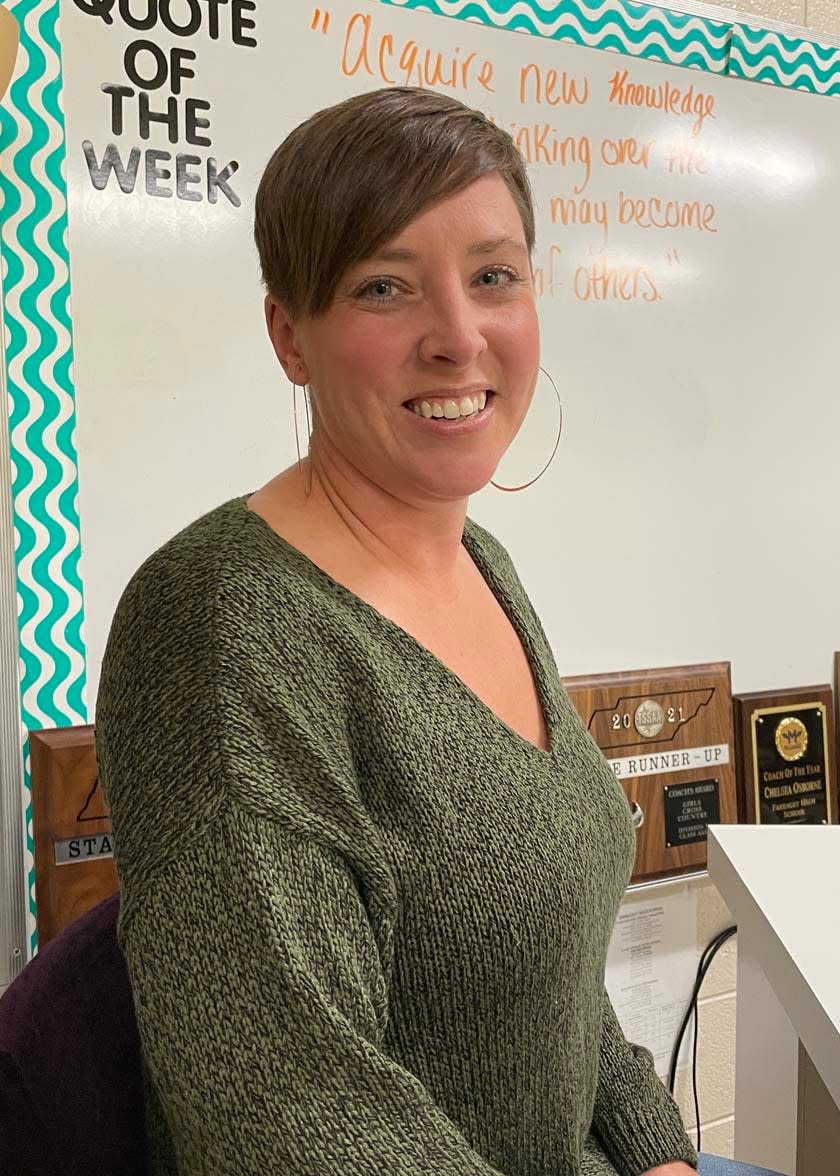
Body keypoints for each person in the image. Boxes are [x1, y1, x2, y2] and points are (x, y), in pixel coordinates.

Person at [96, 86, 699, 1175]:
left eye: (494, 277)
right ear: (291, 334)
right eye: (385, 286)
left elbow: (551, 970)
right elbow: (288, 1106)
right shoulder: (220, 626)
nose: (459, 337)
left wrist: (658, 1153)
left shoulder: (481, 563)